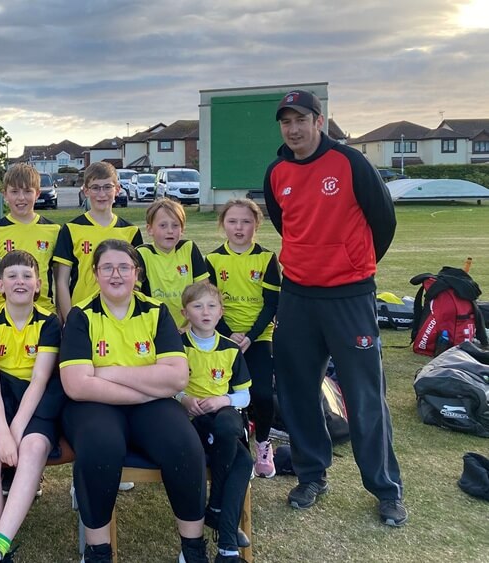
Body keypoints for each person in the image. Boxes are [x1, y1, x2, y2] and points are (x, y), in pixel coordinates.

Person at [263, 90, 405, 525]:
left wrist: (353, 265)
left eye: (300, 120)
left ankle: (385, 488)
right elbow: (285, 224)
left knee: (364, 396)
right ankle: (311, 475)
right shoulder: (277, 172)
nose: (293, 129)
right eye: (286, 122)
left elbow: (384, 220)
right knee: (298, 391)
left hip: (349, 296)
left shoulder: (350, 162)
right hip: (298, 296)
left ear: (318, 121)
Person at [59, 239, 208, 563]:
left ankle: (193, 549)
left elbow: (177, 378)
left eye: (124, 267)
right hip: (94, 405)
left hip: (150, 405)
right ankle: (98, 552)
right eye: (107, 268)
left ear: (136, 273)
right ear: (95, 273)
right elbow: (77, 385)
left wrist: (109, 371)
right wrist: (146, 389)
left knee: (183, 443)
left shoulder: (156, 312)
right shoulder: (81, 316)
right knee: (100, 446)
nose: (116, 275)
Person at [0, 250, 63, 563]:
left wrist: (16, 431)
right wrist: (1, 433)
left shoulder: (49, 323)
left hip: (34, 402)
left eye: (27, 276)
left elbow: (39, 380)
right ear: (0, 285)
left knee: (33, 447)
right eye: (12, 276)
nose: (19, 281)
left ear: (38, 285)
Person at [178, 280, 253, 563]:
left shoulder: (231, 349)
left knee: (228, 425)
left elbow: (244, 395)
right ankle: (227, 543)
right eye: (197, 306)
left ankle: (220, 520)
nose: (205, 312)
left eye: (211, 306)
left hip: (223, 418)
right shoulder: (179, 346)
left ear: (221, 312)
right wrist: (184, 398)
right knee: (243, 462)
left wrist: (224, 399)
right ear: (185, 313)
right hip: (192, 420)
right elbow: (166, 386)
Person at [205, 198, 280, 479]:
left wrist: (251, 335)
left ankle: (264, 443)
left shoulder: (267, 258)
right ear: (222, 224)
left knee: (261, 394)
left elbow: (271, 304)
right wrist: (227, 332)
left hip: (258, 337)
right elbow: (209, 302)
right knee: (226, 394)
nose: (239, 227)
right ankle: (237, 447)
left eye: (246, 222)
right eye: (232, 221)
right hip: (223, 336)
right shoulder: (213, 259)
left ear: (256, 225)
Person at [53, 162, 142, 321]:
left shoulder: (131, 231)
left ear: (117, 189)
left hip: (120, 316)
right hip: (82, 314)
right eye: (95, 188)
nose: (102, 194)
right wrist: (70, 320)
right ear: (86, 191)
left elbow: (137, 281)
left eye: (107, 187)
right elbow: (62, 282)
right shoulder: (71, 229)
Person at [0, 163, 61, 316]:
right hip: (4, 316)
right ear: (5, 195)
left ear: (37, 193)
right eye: (14, 191)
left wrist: (60, 317)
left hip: (44, 314)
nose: (21, 198)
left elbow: (61, 281)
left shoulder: (54, 230)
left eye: (28, 191)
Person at [136, 199, 208, 327]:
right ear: (150, 229)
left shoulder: (189, 248)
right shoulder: (142, 253)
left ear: (182, 229)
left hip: (189, 327)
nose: (170, 231)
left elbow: (204, 290)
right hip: (154, 326)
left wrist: (191, 326)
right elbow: (133, 294)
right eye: (163, 225)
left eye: (175, 225)